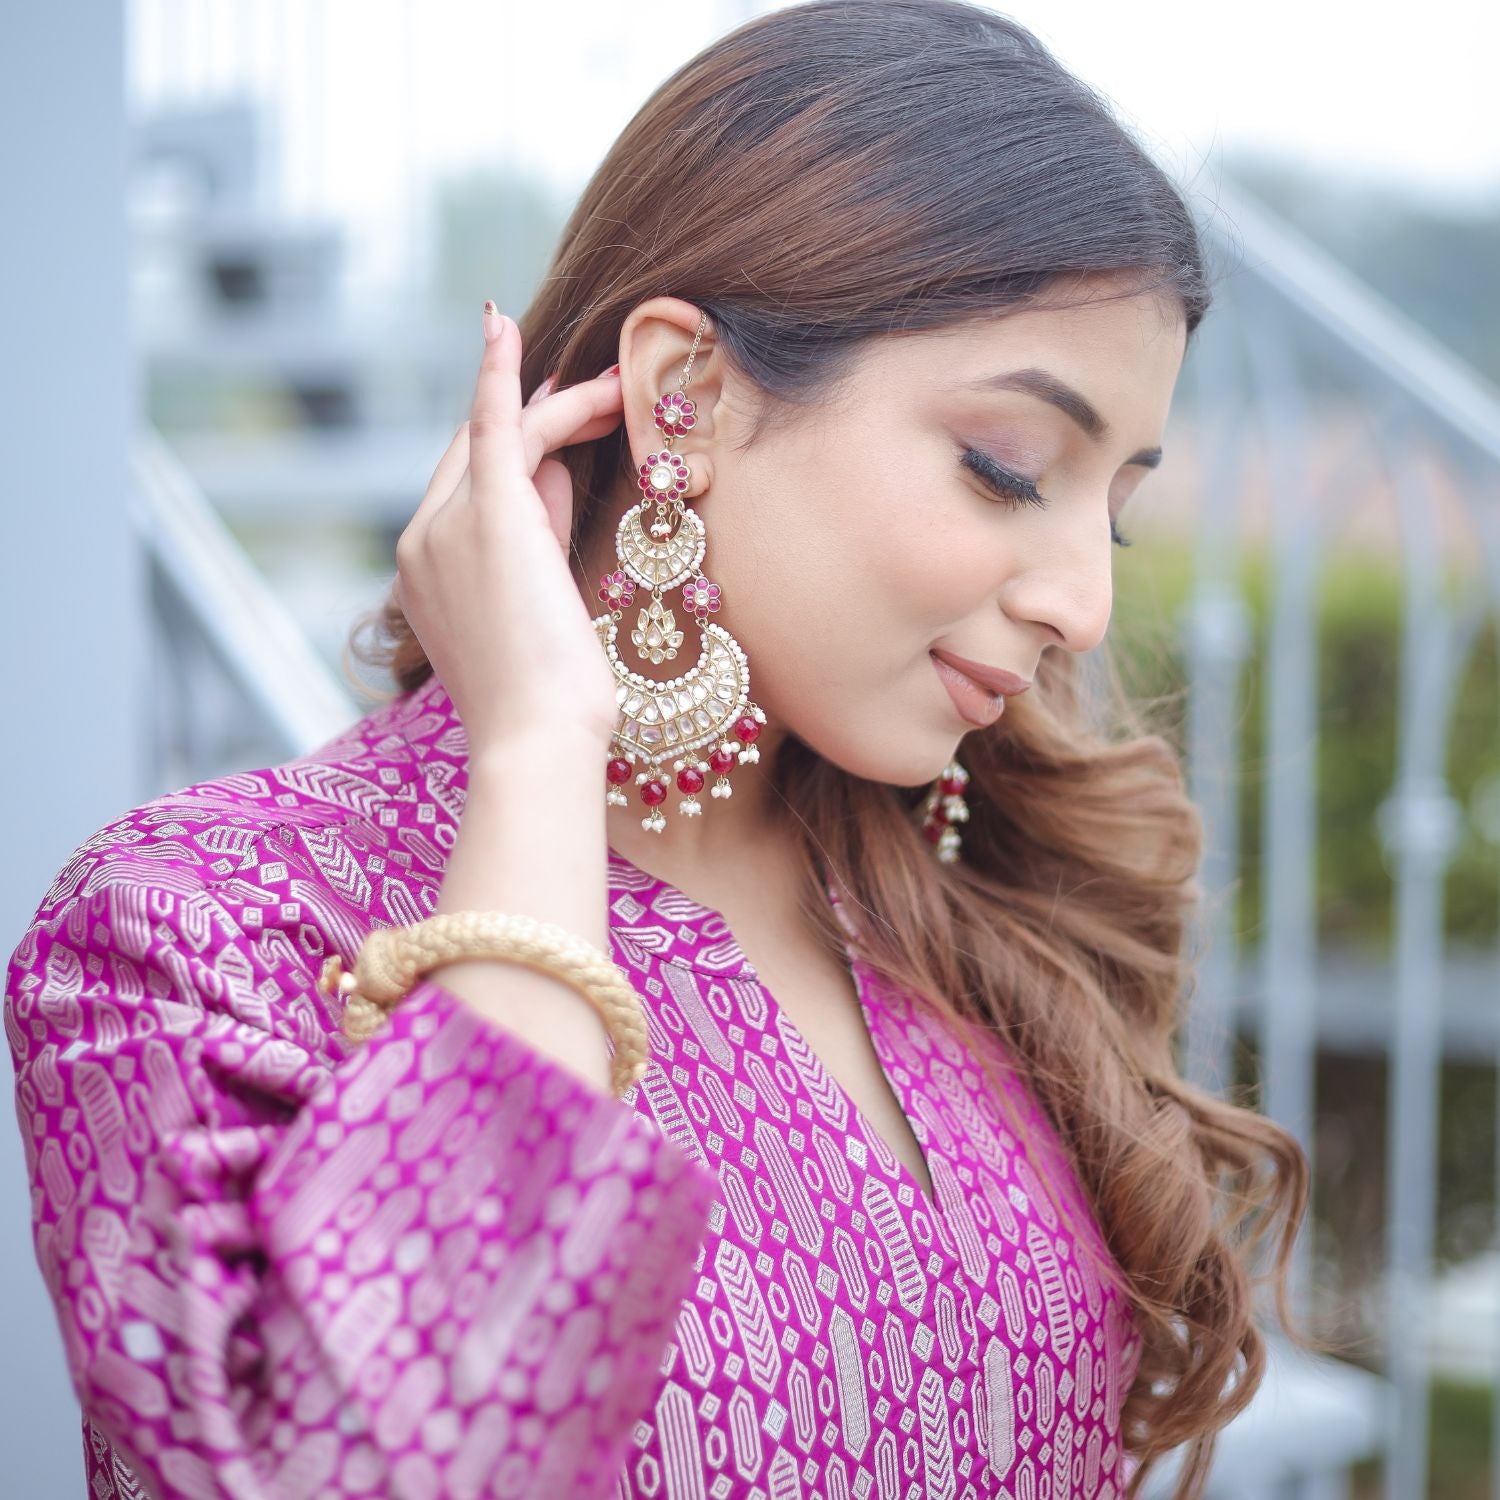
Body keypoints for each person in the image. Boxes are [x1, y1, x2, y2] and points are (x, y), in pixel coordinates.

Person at [4, 2, 1317, 1496]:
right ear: (684, 394)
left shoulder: (970, 909)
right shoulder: (198, 925)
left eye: (1116, 508)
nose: (1085, 602)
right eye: (1005, 468)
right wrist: (540, 755)